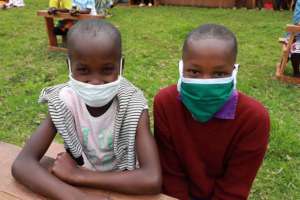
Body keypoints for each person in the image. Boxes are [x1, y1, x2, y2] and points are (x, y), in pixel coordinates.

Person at [12, 19, 161, 200]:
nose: (96, 82)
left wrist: (79, 175)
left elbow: (151, 179)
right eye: (83, 70)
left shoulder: (133, 105)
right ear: (69, 67)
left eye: (107, 70)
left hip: (125, 182)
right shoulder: (63, 101)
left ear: (121, 66)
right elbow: (22, 164)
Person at [154, 24, 270, 200]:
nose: (205, 82)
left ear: (234, 72)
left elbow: (235, 187)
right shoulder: (166, 103)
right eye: (194, 71)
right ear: (181, 68)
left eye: (219, 74)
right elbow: (170, 173)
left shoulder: (253, 118)